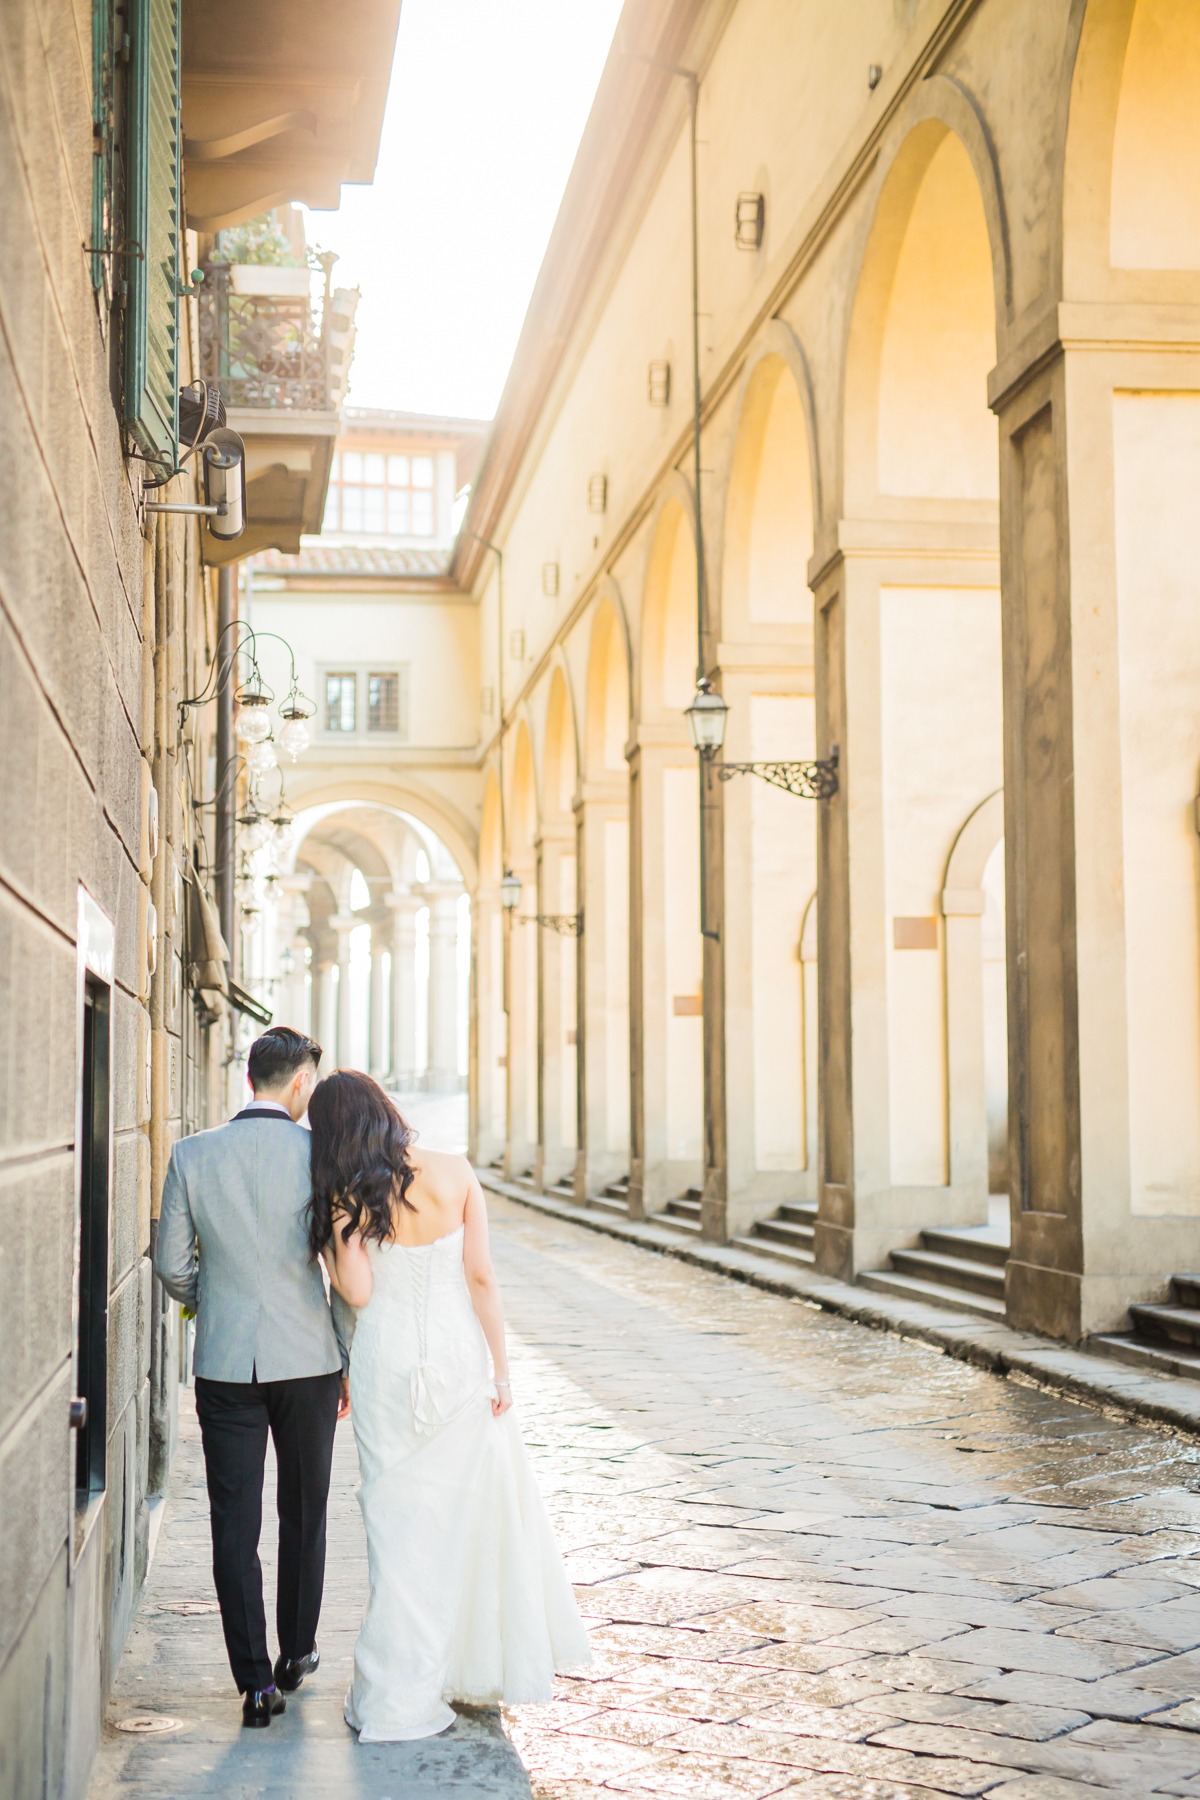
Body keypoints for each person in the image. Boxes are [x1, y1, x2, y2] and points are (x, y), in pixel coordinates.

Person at [307, 1070, 591, 1742]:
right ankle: (460, 1663)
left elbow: (357, 1294)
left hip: (384, 1364)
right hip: (460, 1359)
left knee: (397, 1525)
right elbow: (482, 1276)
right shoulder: (456, 1170)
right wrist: (502, 1368)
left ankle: (394, 1690)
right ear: (387, 1110)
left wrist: (334, 1234)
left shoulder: (348, 1195)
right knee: (463, 1516)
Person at [155, 1027, 353, 1728]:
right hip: (309, 1362)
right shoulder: (321, 1156)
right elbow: (346, 1270)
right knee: (304, 1511)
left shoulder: (192, 1154)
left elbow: (171, 1265)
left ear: (251, 1079)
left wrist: (220, 1304)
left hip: (226, 1364)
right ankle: (295, 1653)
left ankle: (254, 1685)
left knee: (232, 1522)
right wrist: (349, 1360)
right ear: (300, 1083)